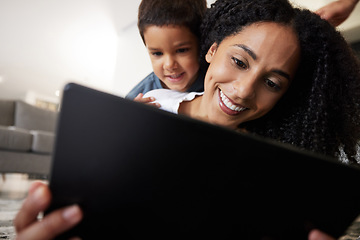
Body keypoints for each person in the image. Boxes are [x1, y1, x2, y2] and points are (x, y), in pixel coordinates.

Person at [14, 0, 360, 239]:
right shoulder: (149, 104)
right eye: (239, 61)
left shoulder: (274, 169)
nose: (242, 91)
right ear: (211, 50)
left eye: (272, 83)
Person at [125, 0, 207, 100]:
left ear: (202, 42)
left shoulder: (219, 84)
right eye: (157, 53)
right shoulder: (137, 101)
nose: (169, 65)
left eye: (181, 50)